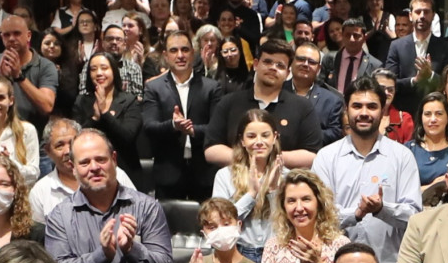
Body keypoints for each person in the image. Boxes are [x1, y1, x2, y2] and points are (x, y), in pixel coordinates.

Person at [44, 128, 174, 263]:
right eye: (84, 162)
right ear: (73, 168)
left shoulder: (147, 208)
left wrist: (132, 248)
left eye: (100, 159)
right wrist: (101, 256)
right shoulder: (60, 216)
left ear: (113, 160)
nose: (94, 167)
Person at [312, 82, 425, 263]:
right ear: (346, 110)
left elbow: (415, 217)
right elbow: (318, 217)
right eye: (357, 106)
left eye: (372, 106)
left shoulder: (402, 157)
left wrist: (383, 210)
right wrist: (355, 214)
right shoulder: (326, 157)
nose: (364, 113)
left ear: (383, 111)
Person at [204, 38, 320, 168]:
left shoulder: (303, 107)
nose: (273, 68)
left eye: (280, 65)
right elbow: (211, 150)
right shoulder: (229, 102)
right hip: (237, 182)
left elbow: (312, 155)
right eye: (267, 62)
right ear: (255, 64)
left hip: (284, 184)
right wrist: (250, 158)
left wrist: (269, 157)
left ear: (288, 73)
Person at [141, 29, 222, 201]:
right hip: (168, 171)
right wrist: (173, 125)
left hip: (204, 172)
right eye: (174, 50)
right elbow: (149, 126)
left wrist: (193, 130)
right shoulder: (154, 87)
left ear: (193, 54)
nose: (180, 55)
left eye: (185, 50)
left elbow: (218, 130)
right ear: (165, 55)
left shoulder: (212, 87)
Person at [261, 171, 349, 263]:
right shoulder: (273, 246)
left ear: (319, 202)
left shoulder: (340, 245)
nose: (299, 208)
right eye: (291, 201)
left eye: (306, 199)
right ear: (283, 206)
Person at [28, 117, 133, 225]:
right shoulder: (40, 192)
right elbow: (39, 238)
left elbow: (138, 213)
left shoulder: (115, 175)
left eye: (72, 142)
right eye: (60, 145)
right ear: (48, 151)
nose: (68, 151)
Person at [211, 110, 286, 261]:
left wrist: (272, 192)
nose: (259, 141)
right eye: (251, 136)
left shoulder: (287, 176)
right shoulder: (224, 176)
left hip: (277, 252)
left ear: (275, 137)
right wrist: (251, 194)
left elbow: (286, 221)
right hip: (237, 251)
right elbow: (220, 223)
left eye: (265, 135)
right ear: (242, 141)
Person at [0, 12, 60, 126]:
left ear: (28, 36)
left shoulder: (46, 66)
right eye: (6, 35)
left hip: (33, 132)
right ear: (1, 37)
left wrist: (19, 77)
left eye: (17, 33)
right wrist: (0, 78)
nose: (11, 38)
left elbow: (46, 107)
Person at [72, 51, 143, 160]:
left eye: (104, 68)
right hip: (91, 162)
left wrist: (105, 113)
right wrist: (95, 118)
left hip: (124, 163)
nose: (99, 73)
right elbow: (77, 139)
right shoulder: (81, 101)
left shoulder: (129, 100)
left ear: (114, 71)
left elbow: (128, 137)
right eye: (93, 69)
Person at [409, 94, 448, 194]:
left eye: (439, 114)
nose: (433, 119)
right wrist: (432, 187)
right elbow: (400, 191)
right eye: (428, 114)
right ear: (421, 118)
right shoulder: (408, 151)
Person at [288, 42, 346, 146]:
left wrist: (304, 136)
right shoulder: (276, 91)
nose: (305, 64)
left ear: (318, 69)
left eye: (311, 62)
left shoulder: (332, 100)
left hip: (316, 156)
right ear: (291, 62)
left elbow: (335, 132)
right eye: (301, 59)